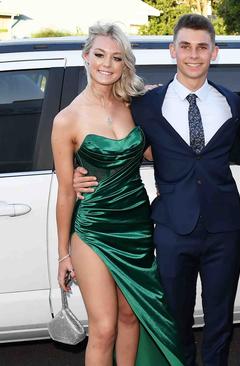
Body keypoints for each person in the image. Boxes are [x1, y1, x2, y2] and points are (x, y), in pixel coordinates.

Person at [73, 14, 240, 366]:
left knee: (220, 322)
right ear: (172, 51)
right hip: (170, 231)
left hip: (224, 230)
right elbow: (115, 141)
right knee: (172, 322)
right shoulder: (145, 105)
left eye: (202, 47)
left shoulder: (234, 102)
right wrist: (83, 172)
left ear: (215, 53)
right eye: (185, 46)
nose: (193, 55)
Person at [52, 23, 183, 365]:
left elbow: (163, 144)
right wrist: (63, 253)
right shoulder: (67, 119)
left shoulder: (136, 105)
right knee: (105, 327)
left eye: (116, 57)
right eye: (99, 55)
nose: (106, 64)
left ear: (125, 63)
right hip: (94, 229)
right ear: (86, 57)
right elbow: (66, 193)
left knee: (131, 317)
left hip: (137, 225)